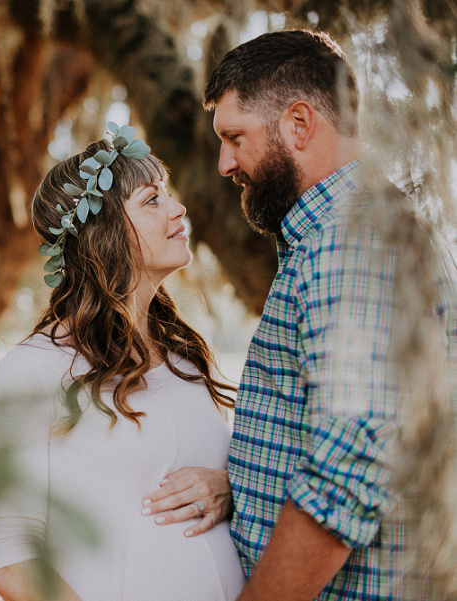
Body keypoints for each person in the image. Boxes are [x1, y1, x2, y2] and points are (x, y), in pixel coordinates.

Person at [158, 28, 457, 600]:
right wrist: (237, 486)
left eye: (234, 137)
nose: (224, 163)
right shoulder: (346, 232)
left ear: (298, 124)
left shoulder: (350, 244)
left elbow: (349, 465)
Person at [0, 126, 246, 601]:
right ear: (102, 232)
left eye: (168, 195)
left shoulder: (186, 356)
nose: (177, 208)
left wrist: (227, 487)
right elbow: (9, 556)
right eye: (151, 200)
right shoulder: (36, 368)